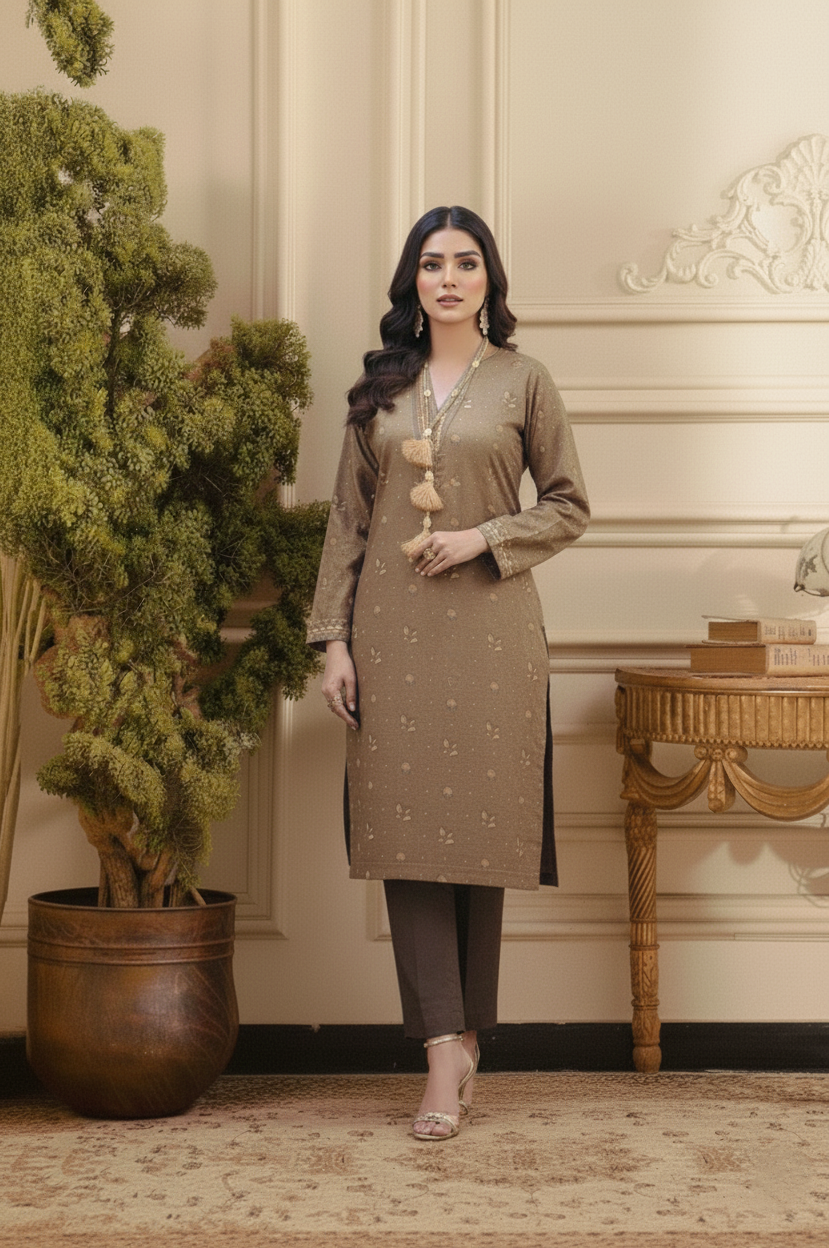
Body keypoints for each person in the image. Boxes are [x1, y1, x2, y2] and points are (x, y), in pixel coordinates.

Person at [307, 205, 589, 1140]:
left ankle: (468, 1036)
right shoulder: (380, 391)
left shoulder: (524, 380)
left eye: (467, 263)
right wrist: (334, 642)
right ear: (413, 282)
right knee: (406, 838)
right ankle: (440, 1052)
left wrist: (480, 536)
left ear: (488, 280)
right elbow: (348, 521)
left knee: (478, 837)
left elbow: (569, 504)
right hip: (391, 637)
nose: (450, 279)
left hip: (493, 634)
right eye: (433, 264)